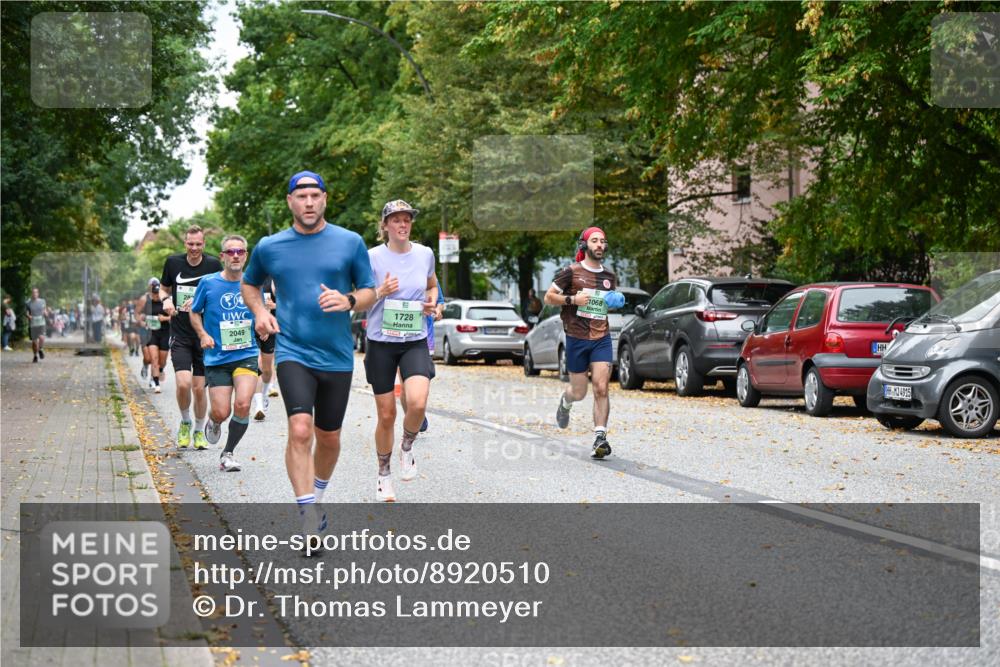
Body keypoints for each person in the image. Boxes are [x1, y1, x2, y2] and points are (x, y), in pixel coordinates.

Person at [242, 171, 375, 540]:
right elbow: (249, 284)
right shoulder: (270, 246)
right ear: (290, 202)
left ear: (325, 199)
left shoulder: (350, 242)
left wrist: (348, 300)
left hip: (336, 356)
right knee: (300, 430)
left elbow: (369, 291)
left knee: (328, 437)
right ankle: (306, 516)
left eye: (315, 196)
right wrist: (260, 313)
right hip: (292, 350)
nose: (309, 203)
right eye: (301, 197)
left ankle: (317, 497)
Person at [364, 200, 438, 502]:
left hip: (414, 339)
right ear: (385, 226)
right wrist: (380, 292)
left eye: (407, 220)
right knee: (386, 415)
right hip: (381, 342)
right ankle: (383, 474)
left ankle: (406, 447)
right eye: (396, 220)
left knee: (417, 405)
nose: (402, 225)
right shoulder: (371, 258)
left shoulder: (425, 254)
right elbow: (359, 298)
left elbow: (432, 285)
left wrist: (433, 302)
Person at [543, 227, 625, 459]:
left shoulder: (609, 276)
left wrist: (614, 300)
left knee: (601, 387)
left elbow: (606, 302)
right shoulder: (571, 272)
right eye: (595, 241)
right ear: (584, 245)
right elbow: (548, 297)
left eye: (603, 241)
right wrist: (573, 299)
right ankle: (566, 402)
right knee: (579, 392)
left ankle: (600, 437)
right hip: (576, 337)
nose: (600, 245)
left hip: (601, 337)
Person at [190, 235, 259, 472]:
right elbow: (194, 311)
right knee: (222, 411)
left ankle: (228, 453)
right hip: (217, 358)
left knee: (242, 403)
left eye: (240, 251)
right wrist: (202, 334)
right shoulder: (208, 283)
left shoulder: (253, 284)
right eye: (230, 252)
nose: (236, 255)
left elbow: (262, 310)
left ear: (246, 255)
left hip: (246, 353)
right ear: (222, 257)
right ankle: (214, 420)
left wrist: (264, 324)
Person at [160, 225, 224, 450]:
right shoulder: (173, 263)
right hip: (180, 333)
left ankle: (198, 429)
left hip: (205, 336)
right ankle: (185, 421)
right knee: (183, 383)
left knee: (199, 388)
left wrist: (200, 302)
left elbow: (220, 294)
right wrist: (166, 300)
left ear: (204, 244)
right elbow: (163, 289)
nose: (194, 248)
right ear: (184, 243)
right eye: (190, 244)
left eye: (198, 244)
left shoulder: (214, 265)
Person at [399, 276, 444, 433]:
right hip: (398, 337)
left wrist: (437, 311)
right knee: (404, 386)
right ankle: (413, 416)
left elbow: (440, 303)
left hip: (424, 338)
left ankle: (418, 412)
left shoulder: (428, 276)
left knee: (422, 384)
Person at [136, 279, 171, 394]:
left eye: (157, 294)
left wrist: (164, 318)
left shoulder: (166, 300)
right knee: (152, 359)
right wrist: (141, 321)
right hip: (150, 332)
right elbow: (137, 313)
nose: (156, 296)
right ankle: (156, 383)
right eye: (154, 294)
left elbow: (175, 316)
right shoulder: (144, 299)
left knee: (163, 361)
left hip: (164, 332)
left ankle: (158, 371)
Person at [251, 276, 278, 421]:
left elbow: (292, 305)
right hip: (253, 327)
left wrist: (276, 306)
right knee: (257, 366)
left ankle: (266, 393)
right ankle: (259, 405)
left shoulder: (282, 278)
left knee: (267, 369)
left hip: (272, 328)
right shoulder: (256, 279)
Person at [26, 288, 49, 362]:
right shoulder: (28, 303)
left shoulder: (42, 301)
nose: (34, 294)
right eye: (33, 293)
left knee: (42, 338)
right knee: (34, 342)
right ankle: (35, 356)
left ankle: (41, 349)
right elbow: (27, 313)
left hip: (41, 322)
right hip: (33, 324)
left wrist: (46, 313)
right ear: (31, 294)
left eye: (36, 292)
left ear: (38, 293)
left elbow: (45, 310)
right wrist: (28, 316)